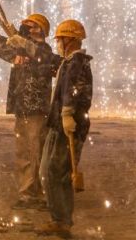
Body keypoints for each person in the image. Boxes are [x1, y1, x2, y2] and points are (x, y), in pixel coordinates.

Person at [0, 12, 57, 209]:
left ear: (40, 30)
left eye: (30, 25)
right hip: (22, 108)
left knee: (36, 152)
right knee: (24, 153)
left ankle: (40, 193)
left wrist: (23, 43)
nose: (26, 27)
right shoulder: (21, 50)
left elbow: (44, 57)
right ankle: (27, 193)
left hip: (37, 110)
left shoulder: (43, 50)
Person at [33, 19, 92, 239]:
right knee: (51, 171)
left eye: (60, 39)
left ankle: (61, 221)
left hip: (68, 124)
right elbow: (49, 59)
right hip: (59, 123)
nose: (57, 43)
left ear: (70, 40)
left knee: (54, 172)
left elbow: (73, 89)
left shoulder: (77, 62)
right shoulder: (69, 61)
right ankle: (61, 219)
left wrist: (67, 113)